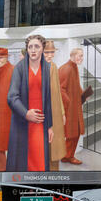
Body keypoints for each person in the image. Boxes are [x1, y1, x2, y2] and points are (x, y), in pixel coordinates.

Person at [6, 35, 53, 172]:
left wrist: (50, 126)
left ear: (42, 49)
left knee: (40, 162)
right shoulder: (19, 69)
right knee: (23, 163)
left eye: (37, 46)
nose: (33, 50)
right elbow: (12, 97)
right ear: (27, 49)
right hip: (23, 122)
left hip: (41, 123)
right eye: (30, 47)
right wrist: (26, 113)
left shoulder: (48, 68)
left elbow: (49, 100)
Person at [58, 48, 86, 165]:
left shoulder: (73, 67)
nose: (81, 58)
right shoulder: (67, 69)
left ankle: (66, 156)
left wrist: (83, 94)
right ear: (73, 55)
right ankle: (69, 156)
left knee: (74, 133)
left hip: (74, 107)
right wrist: (69, 102)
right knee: (72, 134)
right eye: (80, 55)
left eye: (82, 56)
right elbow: (61, 89)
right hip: (69, 108)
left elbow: (76, 85)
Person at [43, 40, 66, 171]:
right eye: (47, 52)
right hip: (44, 113)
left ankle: (54, 175)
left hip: (56, 113)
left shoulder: (54, 67)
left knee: (55, 149)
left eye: (52, 52)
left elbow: (57, 91)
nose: (50, 55)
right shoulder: (37, 69)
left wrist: (62, 112)